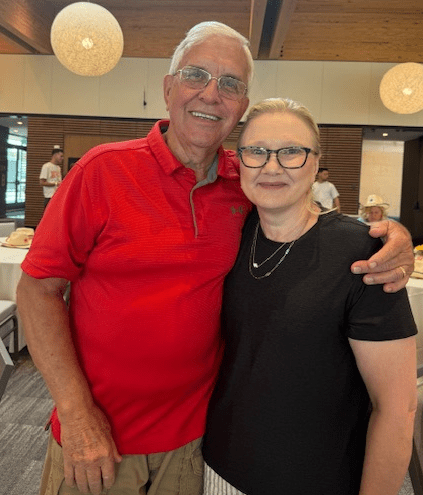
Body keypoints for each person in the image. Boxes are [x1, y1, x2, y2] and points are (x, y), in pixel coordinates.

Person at [16, 22, 414, 495]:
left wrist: (389, 234)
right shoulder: (102, 171)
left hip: (194, 442)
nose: (211, 93)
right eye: (195, 75)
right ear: (168, 88)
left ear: (241, 107)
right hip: (98, 438)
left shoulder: (243, 184)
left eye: (230, 83)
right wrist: (76, 413)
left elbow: (301, 215)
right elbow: (37, 289)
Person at [202, 98, 417, 495]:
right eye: (256, 151)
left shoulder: (363, 254)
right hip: (220, 468)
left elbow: (396, 408)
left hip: (317, 479)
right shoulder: (229, 233)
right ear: (240, 161)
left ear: (315, 163)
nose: (271, 167)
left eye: (291, 152)